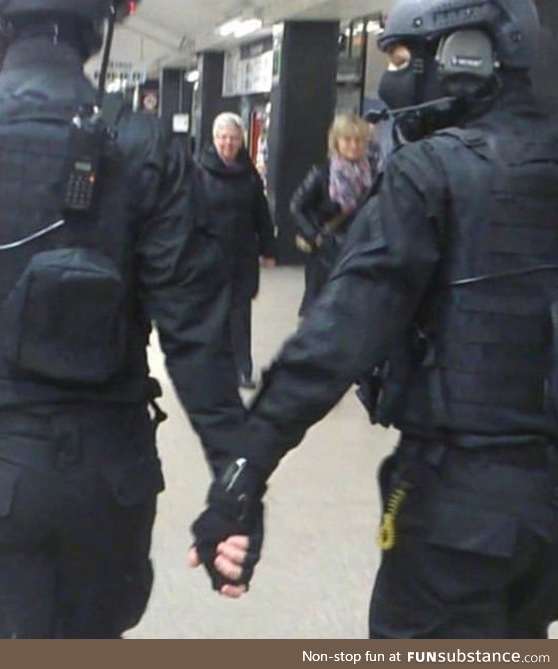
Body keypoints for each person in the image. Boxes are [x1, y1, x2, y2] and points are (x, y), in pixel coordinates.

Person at [190, 0, 558, 638]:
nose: (392, 80)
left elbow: (336, 341)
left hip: (459, 509)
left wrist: (241, 475)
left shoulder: (428, 173)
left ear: (464, 54)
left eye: (402, 58)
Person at [0, 0, 250, 639]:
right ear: (100, 25)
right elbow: (198, 345)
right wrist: (236, 494)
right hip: (110, 474)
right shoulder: (148, 145)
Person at [196, 112, 277, 390]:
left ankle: (243, 369)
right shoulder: (199, 171)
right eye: (223, 138)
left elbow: (261, 213)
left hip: (242, 255)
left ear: (241, 141)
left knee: (240, 315)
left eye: (233, 138)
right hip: (209, 257)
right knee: (212, 315)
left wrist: (268, 248)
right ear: (214, 139)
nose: (227, 143)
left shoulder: (249, 174)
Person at [291, 113, 374, 315]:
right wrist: (314, 236)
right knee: (323, 312)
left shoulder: (373, 173)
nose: (354, 146)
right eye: (347, 140)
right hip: (327, 256)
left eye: (359, 140)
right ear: (336, 141)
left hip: (360, 250)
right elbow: (297, 206)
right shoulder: (323, 173)